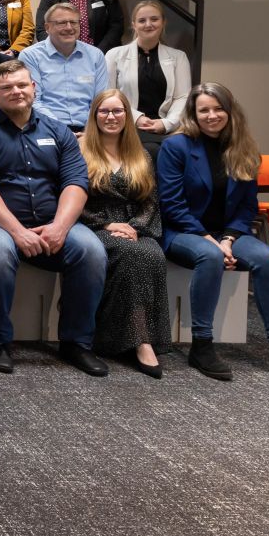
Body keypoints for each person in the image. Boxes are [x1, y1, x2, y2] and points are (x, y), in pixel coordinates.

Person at [0, 59, 107, 376]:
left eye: (22, 85)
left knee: (91, 250)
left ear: (34, 88)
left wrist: (60, 227)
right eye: (7, 87)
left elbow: (76, 183)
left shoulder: (59, 131)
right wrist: (17, 231)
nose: (16, 91)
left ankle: (77, 343)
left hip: (53, 220)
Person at [157, 83, 269, 387]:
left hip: (228, 234)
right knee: (210, 256)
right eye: (204, 110)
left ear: (229, 110)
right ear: (193, 114)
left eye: (218, 108)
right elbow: (171, 204)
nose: (212, 115)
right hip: (183, 231)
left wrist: (227, 239)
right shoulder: (176, 147)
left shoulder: (243, 148)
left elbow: (247, 206)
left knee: (267, 259)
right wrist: (209, 240)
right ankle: (202, 345)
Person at [78, 89, 171, 377]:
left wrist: (136, 227)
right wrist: (106, 224)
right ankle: (140, 342)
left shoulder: (141, 154)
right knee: (131, 255)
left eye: (117, 111)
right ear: (94, 115)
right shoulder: (80, 151)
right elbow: (72, 198)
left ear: (127, 116)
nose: (111, 117)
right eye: (104, 111)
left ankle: (141, 335)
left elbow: (150, 200)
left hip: (134, 226)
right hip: (95, 224)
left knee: (153, 254)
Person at [104, 0, 192, 151]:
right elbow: (108, 95)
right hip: (127, 124)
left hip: (167, 127)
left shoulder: (179, 57)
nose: (148, 24)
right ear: (134, 25)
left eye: (154, 19)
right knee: (153, 150)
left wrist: (166, 123)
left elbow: (182, 97)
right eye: (142, 20)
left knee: (178, 149)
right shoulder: (114, 55)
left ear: (163, 22)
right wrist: (137, 118)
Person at [19, 2, 109, 132]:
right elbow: (33, 101)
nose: (69, 27)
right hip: (45, 128)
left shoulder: (95, 55)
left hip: (89, 129)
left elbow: (100, 100)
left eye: (74, 22)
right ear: (47, 27)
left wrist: (90, 131)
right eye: (61, 23)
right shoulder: (30, 56)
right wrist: (63, 132)